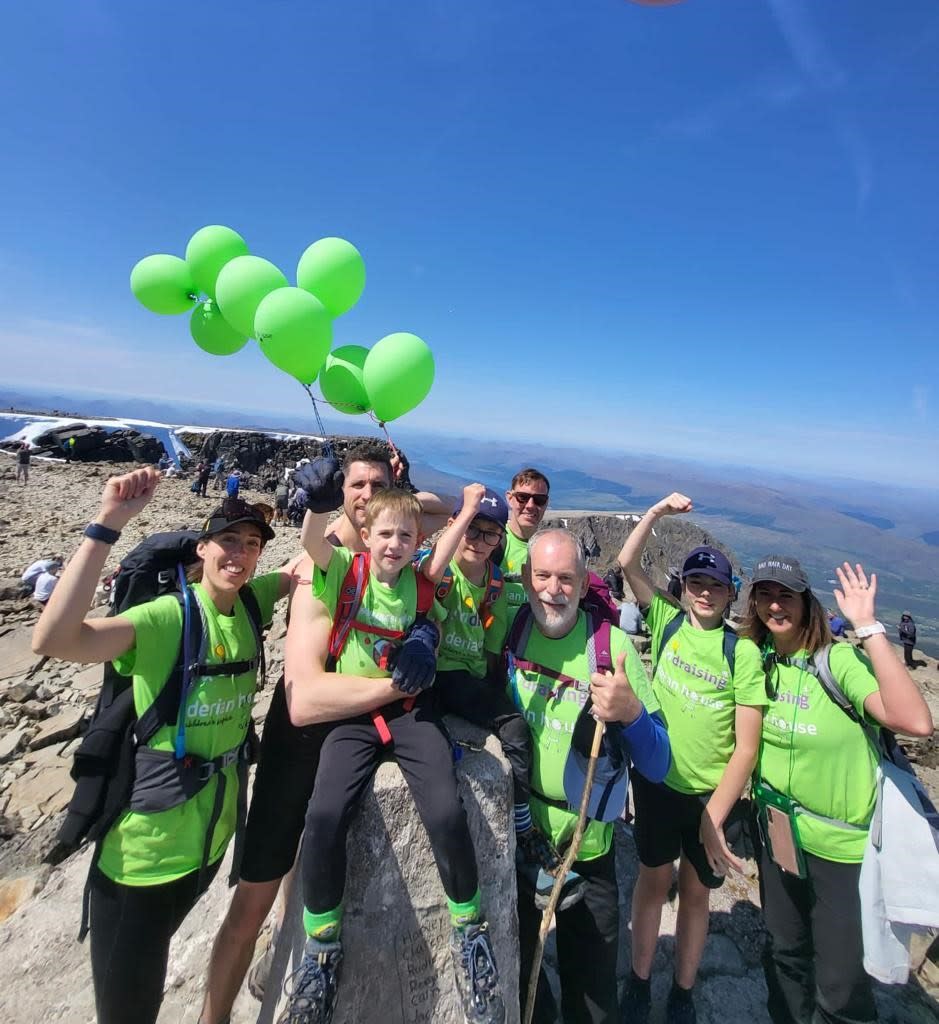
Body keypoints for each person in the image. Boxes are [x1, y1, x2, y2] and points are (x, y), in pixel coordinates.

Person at [201, 445, 459, 1023]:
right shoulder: (320, 566)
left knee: (306, 867)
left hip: (354, 733)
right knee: (256, 895)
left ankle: (288, 947)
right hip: (302, 743)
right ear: (340, 491)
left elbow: (438, 515)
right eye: (356, 485)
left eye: (378, 485)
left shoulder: (389, 557)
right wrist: (403, 684)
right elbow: (306, 701)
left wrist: (405, 491)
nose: (366, 495)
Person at [30, 468, 295, 1024]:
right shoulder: (166, 617)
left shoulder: (249, 606)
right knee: (131, 1009)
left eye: (251, 545)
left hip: (208, 847)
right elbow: (55, 639)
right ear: (202, 547)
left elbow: (313, 559)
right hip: (141, 863)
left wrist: (350, 495)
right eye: (228, 540)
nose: (240, 554)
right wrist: (107, 526)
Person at [280, 485, 505, 1024]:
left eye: (407, 535)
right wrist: (316, 502)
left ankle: (469, 930)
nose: (395, 544)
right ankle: (322, 947)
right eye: (385, 533)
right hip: (354, 716)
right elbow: (312, 542)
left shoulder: (422, 585)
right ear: (366, 534)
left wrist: (469, 509)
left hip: (410, 714)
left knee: (446, 810)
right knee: (325, 814)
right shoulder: (346, 573)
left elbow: (446, 547)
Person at [744, 556, 933, 1024]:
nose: (775, 605)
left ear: (807, 603)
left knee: (841, 984)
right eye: (766, 594)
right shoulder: (758, 661)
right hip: (777, 836)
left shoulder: (839, 662)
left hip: (843, 853)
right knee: (784, 955)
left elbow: (915, 721)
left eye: (786, 594)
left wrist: (868, 626)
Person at [508, 528, 670, 1024]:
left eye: (565, 579)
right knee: (519, 977)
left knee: (595, 996)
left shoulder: (611, 649)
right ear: (525, 578)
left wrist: (632, 713)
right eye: (543, 576)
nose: (552, 590)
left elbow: (659, 763)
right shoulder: (510, 632)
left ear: (583, 585)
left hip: (589, 850)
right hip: (519, 842)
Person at [617, 494, 768, 1024]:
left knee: (697, 895)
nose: (704, 593)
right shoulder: (666, 620)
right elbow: (626, 563)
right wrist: (655, 512)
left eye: (716, 586)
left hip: (708, 797)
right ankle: (639, 981)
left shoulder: (741, 653)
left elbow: (745, 747)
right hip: (657, 782)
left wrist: (714, 816)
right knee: (653, 882)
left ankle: (682, 990)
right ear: (682, 587)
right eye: (696, 583)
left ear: (730, 596)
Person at [416, 484, 559, 873]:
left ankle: (522, 822)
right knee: (512, 727)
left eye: (490, 533)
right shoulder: (436, 567)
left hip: (468, 677)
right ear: (456, 525)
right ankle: (523, 827)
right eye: (472, 529)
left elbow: (492, 651)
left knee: (513, 724)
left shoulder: (495, 583)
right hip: (436, 675)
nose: (479, 541)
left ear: (500, 538)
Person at [500, 468, 551, 607]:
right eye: (522, 497)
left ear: (546, 503)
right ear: (510, 498)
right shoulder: (491, 541)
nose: (530, 506)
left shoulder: (551, 551)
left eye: (539, 500)